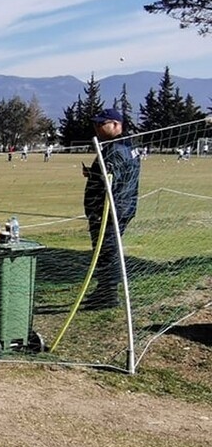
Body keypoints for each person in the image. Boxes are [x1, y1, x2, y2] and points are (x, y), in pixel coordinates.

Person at [81, 108, 141, 309]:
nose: (97, 128)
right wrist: (93, 173)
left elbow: (110, 182)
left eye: (101, 124)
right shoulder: (127, 144)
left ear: (116, 125)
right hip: (122, 205)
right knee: (107, 250)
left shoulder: (115, 149)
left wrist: (97, 209)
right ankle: (104, 290)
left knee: (107, 252)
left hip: (110, 210)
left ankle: (108, 295)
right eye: (95, 124)